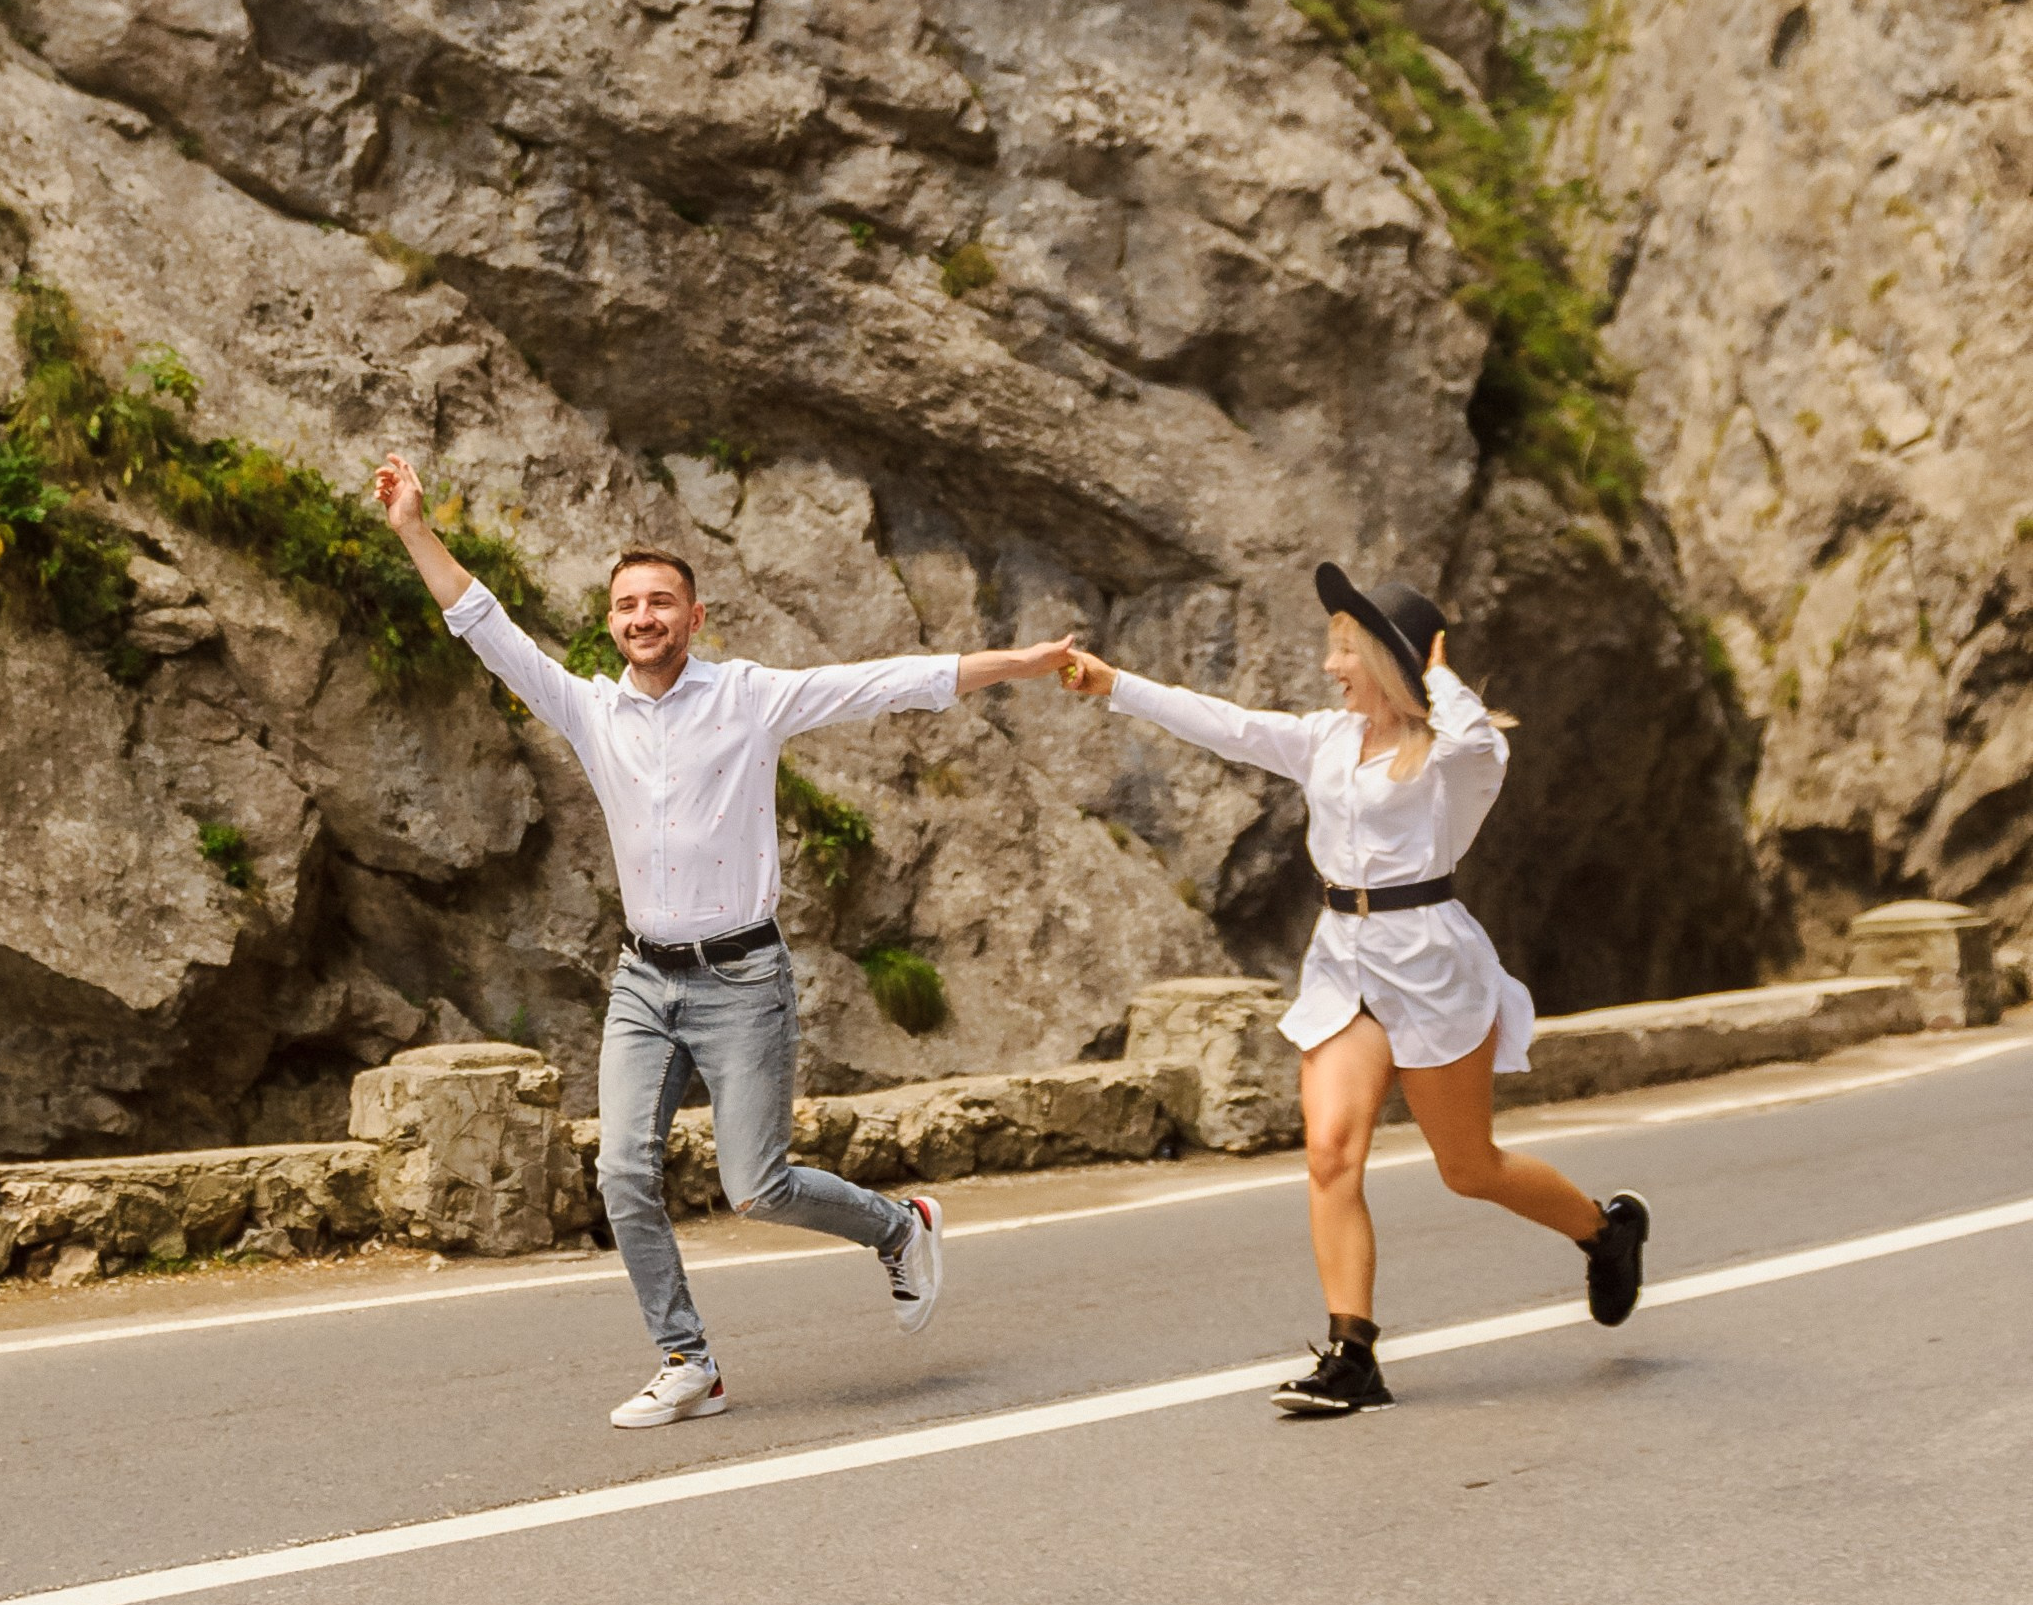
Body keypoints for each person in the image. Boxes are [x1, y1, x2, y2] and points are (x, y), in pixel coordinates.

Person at [373, 455, 1075, 1426]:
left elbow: (884, 683)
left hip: (743, 978)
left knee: (758, 1188)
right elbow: (484, 625)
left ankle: (898, 1226)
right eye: (627, 605)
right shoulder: (589, 710)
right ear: (611, 622)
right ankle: (687, 1361)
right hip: (642, 984)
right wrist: (413, 525)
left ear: (693, 619)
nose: (643, 617)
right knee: (622, 1172)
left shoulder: (747, 697)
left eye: (662, 602)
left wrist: (1020, 665)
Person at [1059, 561, 1649, 1416]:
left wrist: (1437, 672)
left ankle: (1605, 1231)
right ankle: (1352, 1353)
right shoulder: (1323, 742)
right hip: (1345, 962)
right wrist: (1118, 685)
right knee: (1332, 1150)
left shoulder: (1453, 761)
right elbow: (1224, 725)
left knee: (1469, 1167)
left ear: (1389, 659)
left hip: (1432, 967)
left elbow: (1482, 738)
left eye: (1346, 648)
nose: (1331, 665)